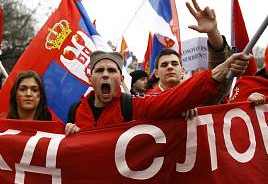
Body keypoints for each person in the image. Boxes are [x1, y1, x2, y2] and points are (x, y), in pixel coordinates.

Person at [64, 49, 252, 134]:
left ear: (121, 80)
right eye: (99, 70)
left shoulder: (134, 106)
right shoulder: (75, 111)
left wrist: (219, 71)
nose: (105, 75)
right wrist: (68, 136)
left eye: (112, 71)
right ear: (90, 78)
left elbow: (173, 99)